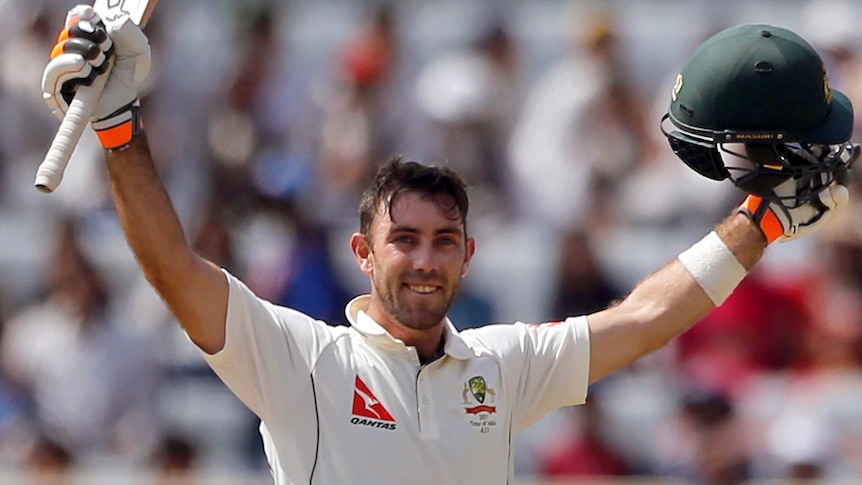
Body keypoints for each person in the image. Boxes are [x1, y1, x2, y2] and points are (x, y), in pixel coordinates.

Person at [40, 7, 856, 484]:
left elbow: (647, 317)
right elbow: (173, 268)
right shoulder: (304, 361)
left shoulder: (499, 368)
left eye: (443, 241)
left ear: (469, 256)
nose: (424, 258)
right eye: (404, 240)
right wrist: (119, 128)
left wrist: (764, 221)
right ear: (364, 253)